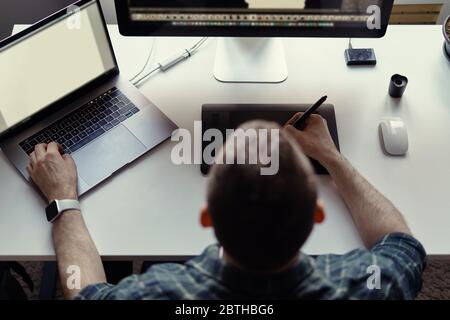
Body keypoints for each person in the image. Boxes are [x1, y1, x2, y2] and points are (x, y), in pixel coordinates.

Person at [27, 114, 426, 300]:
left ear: (207, 219)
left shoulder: (163, 291)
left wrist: (63, 198)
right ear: (316, 216)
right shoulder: (370, 287)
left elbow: (85, 294)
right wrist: (333, 158)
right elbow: (401, 243)